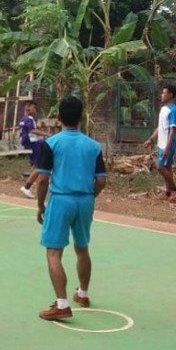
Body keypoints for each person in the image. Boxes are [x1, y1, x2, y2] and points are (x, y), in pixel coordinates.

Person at [36, 96, 107, 321]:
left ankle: (62, 304)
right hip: (85, 200)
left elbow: (43, 179)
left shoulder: (52, 143)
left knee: (54, 253)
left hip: (61, 200)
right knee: (82, 248)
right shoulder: (93, 146)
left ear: (59, 118)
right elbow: (102, 180)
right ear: (81, 118)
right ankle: (83, 294)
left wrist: (40, 204)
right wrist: (89, 196)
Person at [143, 84, 176, 200]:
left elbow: (173, 130)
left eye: (164, 93)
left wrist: (167, 148)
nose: (162, 95)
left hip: (168, 144)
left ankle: (174, 189)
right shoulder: (164, 109)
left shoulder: (173, 110)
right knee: (167, 167)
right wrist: (151, 139)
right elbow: (160, 128)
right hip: (161, 143)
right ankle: (168, 192)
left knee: (160, 167)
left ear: (170, 95)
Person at [18, 101, 49, 199]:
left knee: (36, 165)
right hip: (31, 143)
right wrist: (46, 134)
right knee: (38, 167)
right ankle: (26, 187)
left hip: (28, 143)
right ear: (28, 108)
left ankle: (31, 183)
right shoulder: (29, 119)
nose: (35, 110)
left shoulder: (23, 119)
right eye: (33, 108)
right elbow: (32, 130)